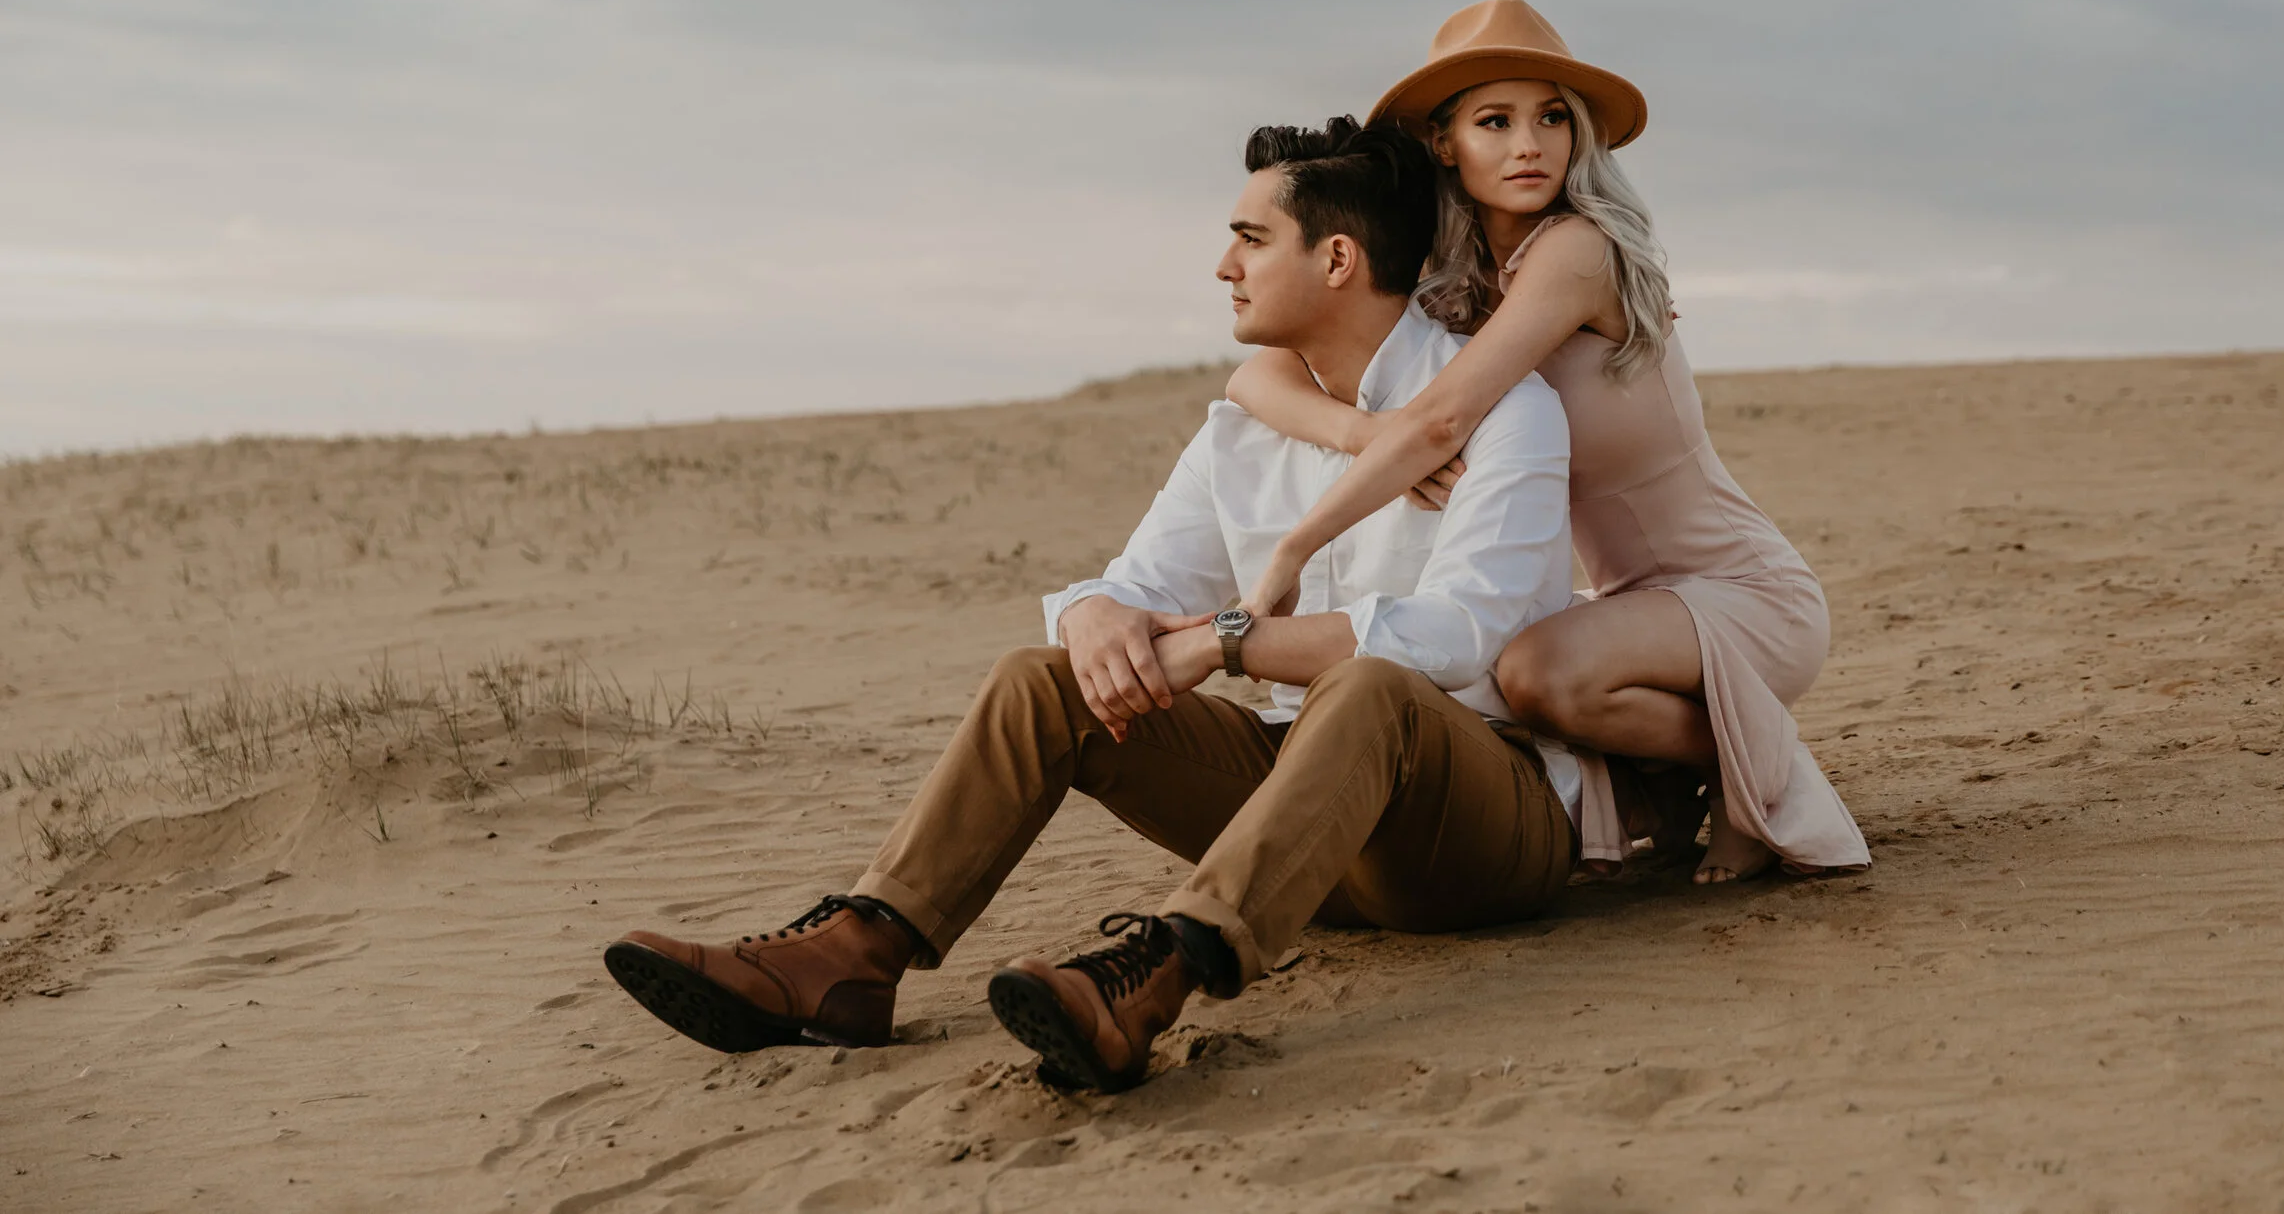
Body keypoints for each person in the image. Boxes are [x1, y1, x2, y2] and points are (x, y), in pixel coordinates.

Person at [604, 115, 1591, 1092]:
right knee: (1042, 679)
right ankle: (849, 958)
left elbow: (1470, 632)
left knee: (1368, 685)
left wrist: (1232, 642)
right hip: (1305, 825)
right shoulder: (1239, 436)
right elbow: (1138, 584)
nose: (1222, 265)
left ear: (1336, 259)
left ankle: (1151, 978)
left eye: (1249, 238)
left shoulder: (1504, 411)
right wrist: (1095, 614)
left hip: (1475, 825)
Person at [1228, 0, 1868, 883]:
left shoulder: (1576, 251)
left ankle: (1747, 771)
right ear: (1446, 143)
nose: (1531, 143)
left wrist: (1297, 546)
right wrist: (1368, 430)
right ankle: (1691, 775)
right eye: (1496, 120)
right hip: (1622, 601)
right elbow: (1254, 378)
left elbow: (1444, 419)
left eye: (1553, 117)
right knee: (1491, 663)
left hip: (1740, 591)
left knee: (1533, 671)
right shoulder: (1461, 282)